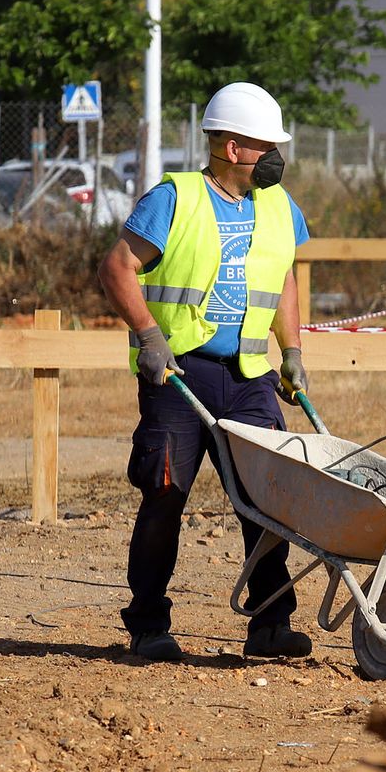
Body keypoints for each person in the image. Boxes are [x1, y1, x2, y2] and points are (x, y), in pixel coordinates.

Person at [98, 81, 313, 663]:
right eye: (265, 144)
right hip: (181, 375)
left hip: (249, 377)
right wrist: (148, 336)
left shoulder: (278, 206)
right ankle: (147, 626)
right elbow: (117, 268)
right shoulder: (175, 199)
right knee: (164, 495)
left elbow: (284, 277)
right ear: (232, 147)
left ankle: (269, 625)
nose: (276, 156)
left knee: (268, 502)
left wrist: (290, 350)